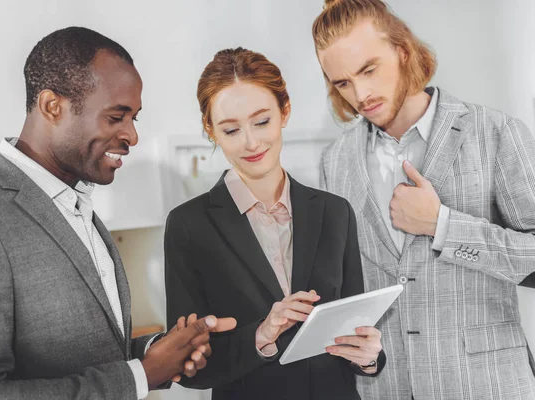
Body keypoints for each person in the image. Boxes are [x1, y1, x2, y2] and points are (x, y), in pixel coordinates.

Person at [0, 26, 236, 400]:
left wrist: (158, 351)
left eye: (134, 119)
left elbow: (86, 351)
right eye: (116, 117)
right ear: (52, 107)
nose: (132, 136)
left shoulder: (75, 204)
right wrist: (140, 376)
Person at [312, 1, 535, 399]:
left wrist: (443, 226)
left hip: (486, 385)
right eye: (343, 83)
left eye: (368, 70)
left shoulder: (496, 133)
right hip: (385, 388)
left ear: (402, 50)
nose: (360, 94)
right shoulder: (335, 161)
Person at [164, 47, 385, 400]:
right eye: (231, 129)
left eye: (262, 121)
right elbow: (186, 369)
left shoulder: (335, 212)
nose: (251, 142)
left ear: (285, 112)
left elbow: (355, 327)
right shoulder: (189, 225)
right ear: (211, 130)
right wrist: (261, 335)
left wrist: (369, 358)